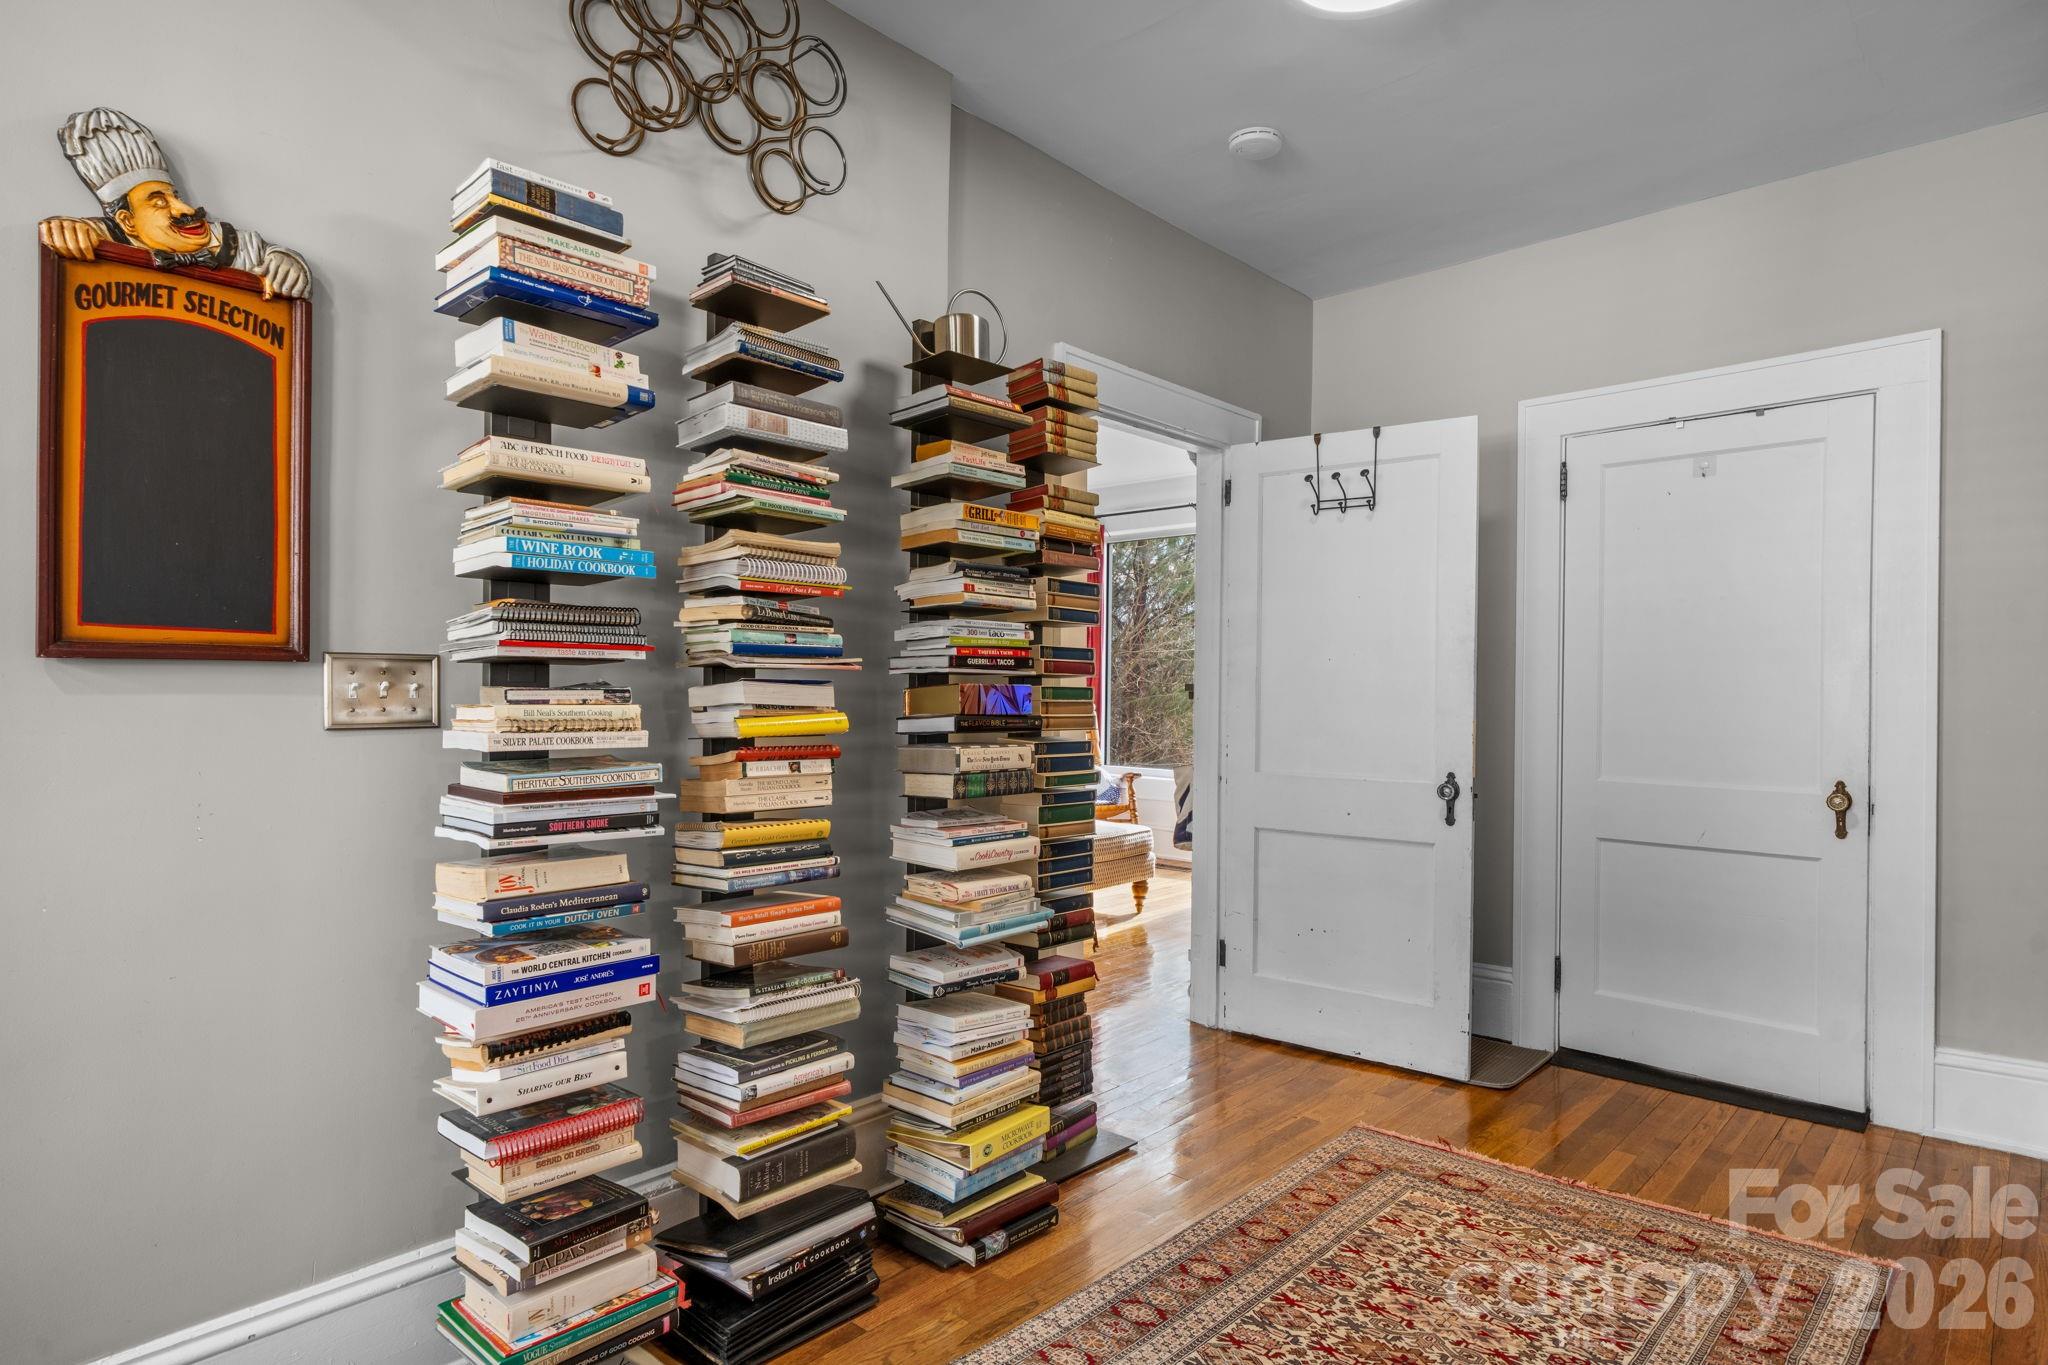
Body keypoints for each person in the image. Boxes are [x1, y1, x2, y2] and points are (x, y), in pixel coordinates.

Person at [38, 107, 310, 300]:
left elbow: (270, 256)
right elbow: (78, 232)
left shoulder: (233, 245)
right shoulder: (107, 238)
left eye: (175, 197)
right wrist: (64, 232)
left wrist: (287, 263)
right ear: (127, 222)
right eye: (158, 202)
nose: (187, 210)